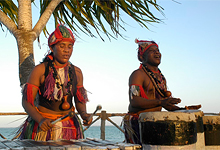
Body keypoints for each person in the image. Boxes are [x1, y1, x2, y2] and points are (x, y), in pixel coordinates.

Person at [17, 24, 92, 141]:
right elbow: (26, 101)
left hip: (70, 126)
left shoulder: (76, 72)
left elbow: (79, 100)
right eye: (62, 46)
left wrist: (84, 114)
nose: (66, 50)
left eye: (70, 46)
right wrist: (40, 119)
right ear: (52, 48)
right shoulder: (40, 70)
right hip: (44, 126)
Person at [123, 39, 201, 144]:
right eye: (151, 50)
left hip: (153, 123)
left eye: (158, 50)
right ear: (142, 57)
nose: (157, 52)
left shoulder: (161, 78)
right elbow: (134, 101)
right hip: (139, 122)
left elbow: (165, 103)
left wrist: (184, 110)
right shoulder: (138, 74)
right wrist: (161, 102)